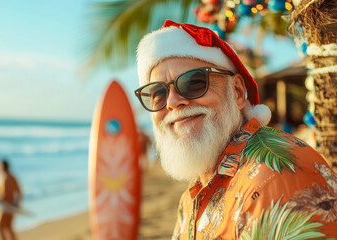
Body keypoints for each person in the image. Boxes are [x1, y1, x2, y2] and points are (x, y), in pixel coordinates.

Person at [134, 19, 337, 239]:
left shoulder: (278, 180)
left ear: (238, 92)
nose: (172, 102)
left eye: (193, 83)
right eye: (158, 94)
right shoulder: (196, 189)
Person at [0, 159, 22, 240]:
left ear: (2, 166)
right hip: (11, 207)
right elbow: (19, 191)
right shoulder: (12, 177)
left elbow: (2, 195)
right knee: (8, 228)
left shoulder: (4, 178)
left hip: (5, 207)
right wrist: (16, 204)